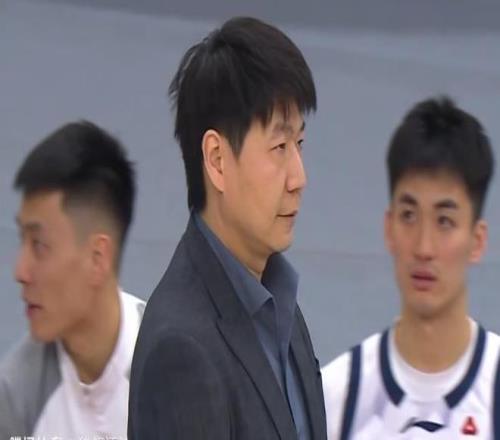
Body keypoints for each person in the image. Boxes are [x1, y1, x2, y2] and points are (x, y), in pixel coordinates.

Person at [128, 16, 326, 440]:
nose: (299, 177)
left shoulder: (281, 307)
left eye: (299, 144)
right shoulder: (181, 350)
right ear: (217, 160)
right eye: (279, 146)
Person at [322, 96, 500, 439]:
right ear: (389, 229)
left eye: (444, 221)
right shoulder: (336, 400)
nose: (423, 247)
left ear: (477, 241)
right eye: (409, 216)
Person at [0, 121, 145, 439]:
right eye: (22, 240)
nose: (20, 272)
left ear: (98, 258)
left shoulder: (176, 365)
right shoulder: (16, 396)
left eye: (39, 245)